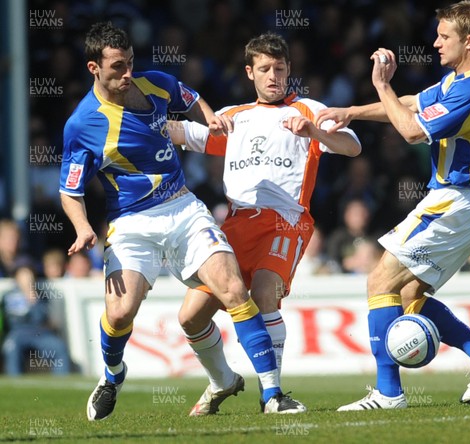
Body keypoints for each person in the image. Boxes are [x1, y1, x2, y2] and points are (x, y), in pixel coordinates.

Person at [60, 22, 299, 421]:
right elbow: (71, 190)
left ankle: (272, 395)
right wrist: (83, 227)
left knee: (233, 288)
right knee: (119, 314)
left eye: (130, 63)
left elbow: (189, 96)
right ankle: (113, 376)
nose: (127, 73)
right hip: (132, 222)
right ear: (93, 68)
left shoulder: (155, 83)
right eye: (117, 67)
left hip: (183, 207)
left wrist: (209, 116)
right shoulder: (82, 125)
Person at [316, 0, 470, 410]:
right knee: (407, 294)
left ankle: (388, 393)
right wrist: (353, 111)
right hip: (465, 204)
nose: (436, 43)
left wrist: (380, 86)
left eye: (445, 37)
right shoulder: (458, 82)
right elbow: (410, 104)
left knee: (378, 282)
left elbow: (409, 130)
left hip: (455, 201)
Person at [169, 32, 361, 415]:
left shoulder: (307, 109)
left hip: (286, 220)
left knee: (263, 293)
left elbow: (353, 145)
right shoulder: (234, 117)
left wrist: (316, 133)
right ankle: (222, 380)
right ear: (249, 72)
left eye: (279, 68)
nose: (273, 76)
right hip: (236, 225)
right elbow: (186, 134)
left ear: (289, 69)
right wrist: (138, 121)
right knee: (190, 317)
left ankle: (272, 395)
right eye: (264, 69)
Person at [1, 258, 71, 375]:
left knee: (59, 347)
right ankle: (16, 384)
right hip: (18, 333)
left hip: (40, 333)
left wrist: (33, 299)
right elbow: (13, 320)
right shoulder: (9, 295)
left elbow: (41, 318)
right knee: (11, 349)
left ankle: (61, 382)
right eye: (22, 274)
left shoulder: (42, 294)